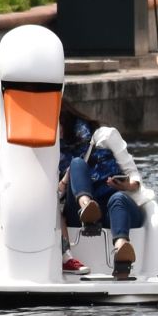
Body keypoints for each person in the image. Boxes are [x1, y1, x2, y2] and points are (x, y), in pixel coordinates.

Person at [59, 104, 146, 279]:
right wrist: (66, 179)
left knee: (118, 198)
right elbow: (52, 197)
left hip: (113, 210)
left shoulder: (105, 136)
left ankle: (122, 251)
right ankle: (87, 208)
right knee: (77, 163)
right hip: (77, 214)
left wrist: (126, 185)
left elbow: (134, 174)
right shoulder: (50, 152)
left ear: (65, 121)